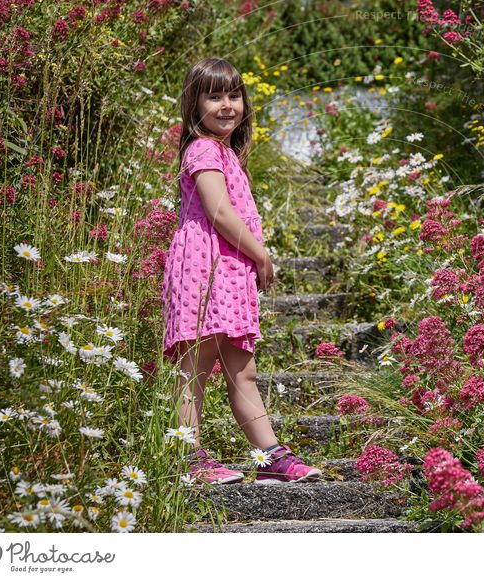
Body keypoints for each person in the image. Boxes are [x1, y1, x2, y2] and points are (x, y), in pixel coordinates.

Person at [161, 57, 322, 485]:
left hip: (229, 270)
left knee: (242, 369)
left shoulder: (227, 152)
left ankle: (269, 456)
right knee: (195, 365)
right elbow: (218, 212)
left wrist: (249, 260)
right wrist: (262, 254)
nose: (227, 105)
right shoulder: (201, 150)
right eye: (214, 96)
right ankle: (186, 458)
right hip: (203, 266)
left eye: (234, 95)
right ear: (194, 104)